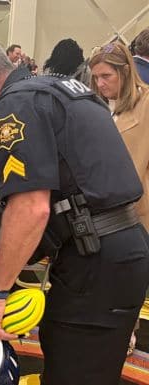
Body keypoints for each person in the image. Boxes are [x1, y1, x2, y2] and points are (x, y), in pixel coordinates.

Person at [0, 38, 149, 385]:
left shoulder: (13, 108)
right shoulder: (60, 91)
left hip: (95, 261)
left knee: (74, 369)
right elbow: (57, 190)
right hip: (119, 248)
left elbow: (31, 208)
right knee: (89, 364)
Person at [89, 41, 149, 355]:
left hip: (138, 212)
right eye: (96, 77)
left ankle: (127, 335)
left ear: (125, 72)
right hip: (103, 209)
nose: (100, 84)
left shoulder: (148, 103)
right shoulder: (100, 106)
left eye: (106, 76)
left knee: (129, 282)